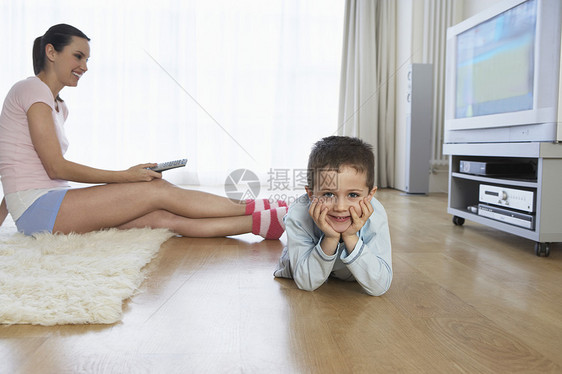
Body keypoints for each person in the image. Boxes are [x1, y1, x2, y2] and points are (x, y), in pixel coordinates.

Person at [0, 24, 286, 239]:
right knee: (155, 190)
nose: (84, 66)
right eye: (78, 56)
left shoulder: (58, 106)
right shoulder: (32, 89)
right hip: (41, 209)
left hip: (43, 206)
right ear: (51, 51)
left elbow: (16, 167)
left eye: (87, 59)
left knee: (160, 218)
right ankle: (261, 206)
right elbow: (54, 167)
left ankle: (265, 224)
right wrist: (125, 177)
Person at [274, 136, 392, 296]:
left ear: (370, 195)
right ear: (311, 194)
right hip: (306, 261)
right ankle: (272, 212)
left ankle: (271, 211)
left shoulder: (375, 214)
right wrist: (330, 238)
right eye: (328, 194)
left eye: (353, 194)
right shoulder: (298, 214)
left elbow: (379, 285)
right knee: (291, 265)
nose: (340, 207)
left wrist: (350, 237)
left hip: (348, 272)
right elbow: (306, 282)